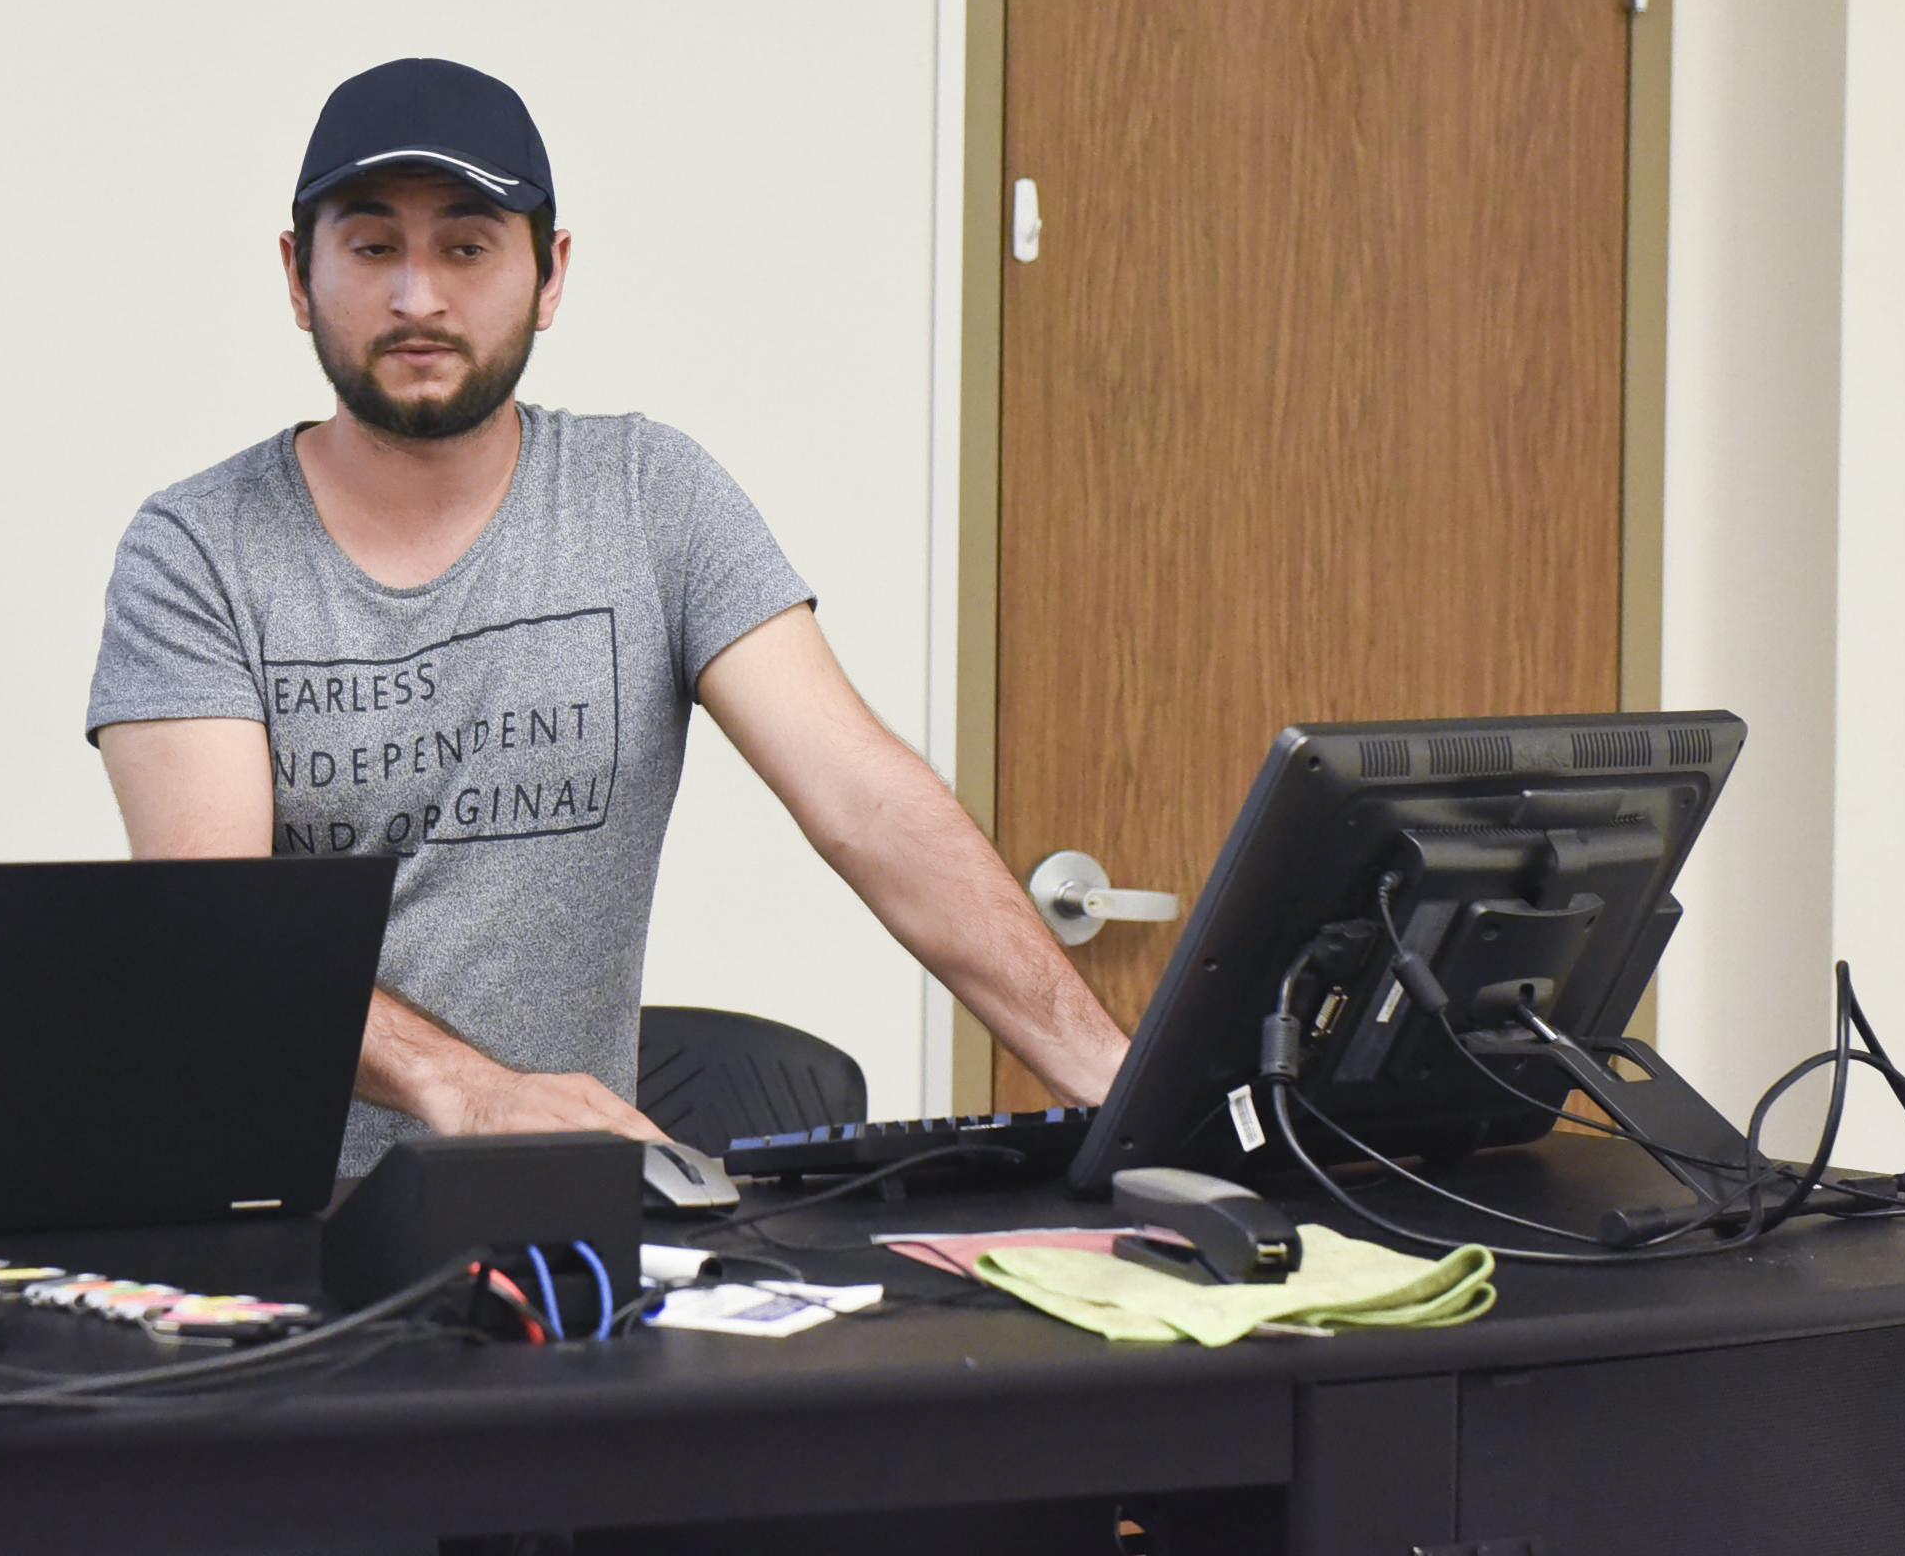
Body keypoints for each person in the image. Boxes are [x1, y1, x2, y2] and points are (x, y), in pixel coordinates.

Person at [87, 57, 1127, 1172]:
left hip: (562, 1211)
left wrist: (1122, 1082)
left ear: (550, 276)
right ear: (299, 278)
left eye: (467, 247)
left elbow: (867, 803)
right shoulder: (198, 548)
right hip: (273, 1212)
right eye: (373, 247)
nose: (418, 298)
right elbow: (219, 927)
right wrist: (465, 1089)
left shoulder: (649, 497)